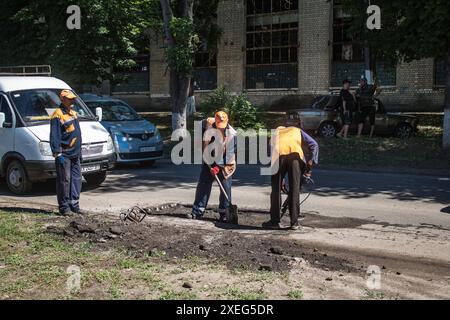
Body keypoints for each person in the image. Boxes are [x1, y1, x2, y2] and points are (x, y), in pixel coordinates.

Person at [263, 126, 319, 230]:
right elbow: (314, 144)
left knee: (276, 190)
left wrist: (280, 179)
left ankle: (274, 222)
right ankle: (294, 223)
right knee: (295, 189)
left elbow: (271, 153)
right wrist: (310, 163)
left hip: (278, 157)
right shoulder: (296, 130)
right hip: (295, 157)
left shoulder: (275, 132)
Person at [191, 111, 237, 222]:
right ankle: (198, 211)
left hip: (226, 162)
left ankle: (224, 213)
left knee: (225, 185)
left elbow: (229, 155)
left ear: (227, 122)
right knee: (203, 183)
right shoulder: (209, 127)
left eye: (223, 126)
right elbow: (205, 148)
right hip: (210, 158)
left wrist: (218, 167)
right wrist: (210, 165)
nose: (220, 128)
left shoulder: (232, 134)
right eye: (218, 125)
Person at [50, 90, 83, 216]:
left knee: (76, 179)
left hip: (75, 154)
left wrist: (80, 153)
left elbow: (78, 134)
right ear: (62, 99)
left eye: (73, 98)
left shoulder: (73, 114)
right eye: (69, 99)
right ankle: (64, 207)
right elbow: (55, 136)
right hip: (64, 154)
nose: (72, 100)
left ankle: (74, 205)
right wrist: (57, 154)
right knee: (64, 181)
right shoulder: (57, 115)